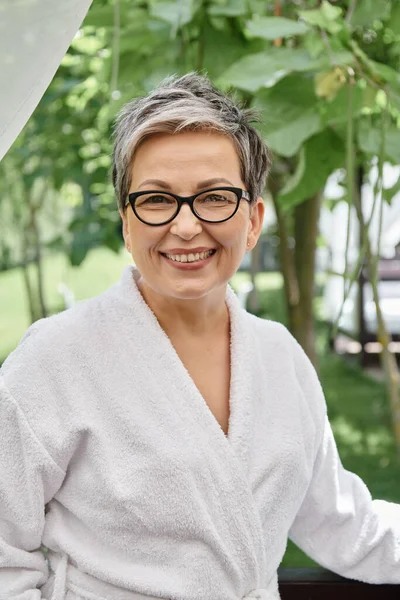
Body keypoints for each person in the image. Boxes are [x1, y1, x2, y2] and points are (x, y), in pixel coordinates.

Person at [0, 73, 399, 600]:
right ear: (127, 222)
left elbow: (340, 520)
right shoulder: (54, 359)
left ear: (253, 220)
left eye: (214, 197)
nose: (186, 227)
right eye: (157, 200)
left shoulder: (280, 356)